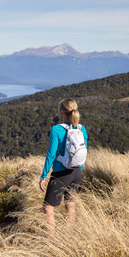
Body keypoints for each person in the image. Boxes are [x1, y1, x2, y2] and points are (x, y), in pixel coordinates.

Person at [39, 98, 88, 234]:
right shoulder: (81, 128)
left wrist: (44, 176)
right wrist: (78, 171)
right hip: (76, 172)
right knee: (70, 205)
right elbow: (84, 152)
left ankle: (51, 241)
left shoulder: (56, 130)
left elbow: (51, 154)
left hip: (61, 173)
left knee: (48, 208)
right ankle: (67, 236)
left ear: (61, 112)